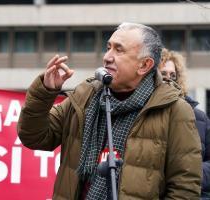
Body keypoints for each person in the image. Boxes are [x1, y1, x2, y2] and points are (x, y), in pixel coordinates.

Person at [17, 22, 202, 199]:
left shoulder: (175, 110)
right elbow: (34, 137)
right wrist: (45, 92)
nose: (107, 57)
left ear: (144, 65)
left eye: (119, 49)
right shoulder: (84, 96)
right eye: (108, 47)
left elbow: (184, 188)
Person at [159, 48, 210, 199]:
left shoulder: (199, 117)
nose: (168, 79)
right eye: (163, 74)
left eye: (172, 75)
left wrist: (190, 174)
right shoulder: (142, 114)